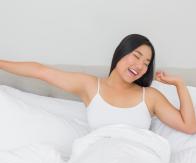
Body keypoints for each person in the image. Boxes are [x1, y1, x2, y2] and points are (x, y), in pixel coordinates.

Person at [0, 34, 195, 134]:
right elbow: (41, 71)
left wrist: (179, 84)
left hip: (136, 160)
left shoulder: (150, 96)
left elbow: (189, 127)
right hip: (99, 158)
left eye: (146, 63)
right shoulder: (90, 86)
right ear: (121, 52)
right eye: (136, 56)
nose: (140, 66)